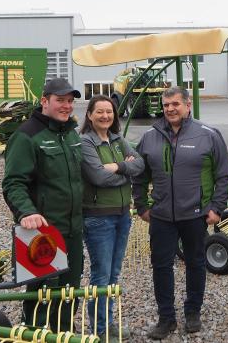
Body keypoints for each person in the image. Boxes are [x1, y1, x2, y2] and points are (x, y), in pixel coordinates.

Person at [132, 86, 228, 340]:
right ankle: (166, 318)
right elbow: (139, 175)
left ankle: (192, 311)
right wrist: (142, 206)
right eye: (166, 105)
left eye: (175, 104)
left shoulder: (208, 134)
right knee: (161, 266)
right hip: (162, 217)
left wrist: (216, 208)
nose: (170, 109)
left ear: (188, 105)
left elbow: (223, 175)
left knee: (196, 263)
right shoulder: (150, 137)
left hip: (195, 215)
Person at [2, 78, 84, 331]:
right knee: (40, 293)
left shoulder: (70, 134)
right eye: (60, 100)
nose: (67, 106)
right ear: (44, 101)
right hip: (43, 232)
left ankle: (64, 334)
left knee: (69, 292)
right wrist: (26, 212)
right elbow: (14, 183)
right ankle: (35, 334)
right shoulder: (27, 136)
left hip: (73, 230)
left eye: (70, 101)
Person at [80, 95, 144, 338]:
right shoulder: (86, 142)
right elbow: (97, 177)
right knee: (101, 274)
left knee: (114, 273)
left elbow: (140, 165)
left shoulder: (118, 140)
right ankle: (100, 328)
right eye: (100, 112)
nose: (105, 116)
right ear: (89, 115)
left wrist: (118, 167)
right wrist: (127, 170)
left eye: (109, 112)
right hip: (98, 218)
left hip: (122, 215)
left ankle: (107, 323)